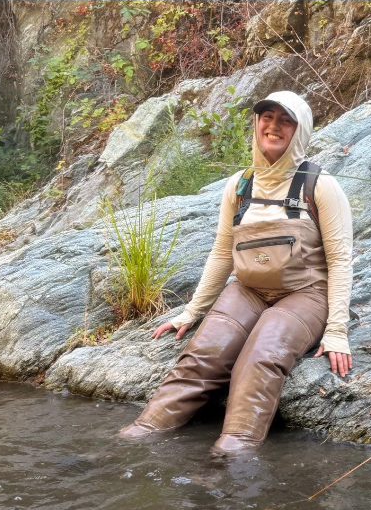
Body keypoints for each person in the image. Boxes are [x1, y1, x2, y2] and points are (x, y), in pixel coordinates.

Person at [118, 91, 354, 455]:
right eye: (267, 117)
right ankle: (133, 439)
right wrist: (193, 311)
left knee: (260, 356)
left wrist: (337, 331)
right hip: (246, 290)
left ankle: (231, 458)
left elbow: (340, 259)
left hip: (306, 294)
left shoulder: (320, 186)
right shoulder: (239, 185)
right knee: (203, 356)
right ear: (256, 123)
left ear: (301, 131)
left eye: (285, 120)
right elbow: (221, 252)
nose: (273, 126)